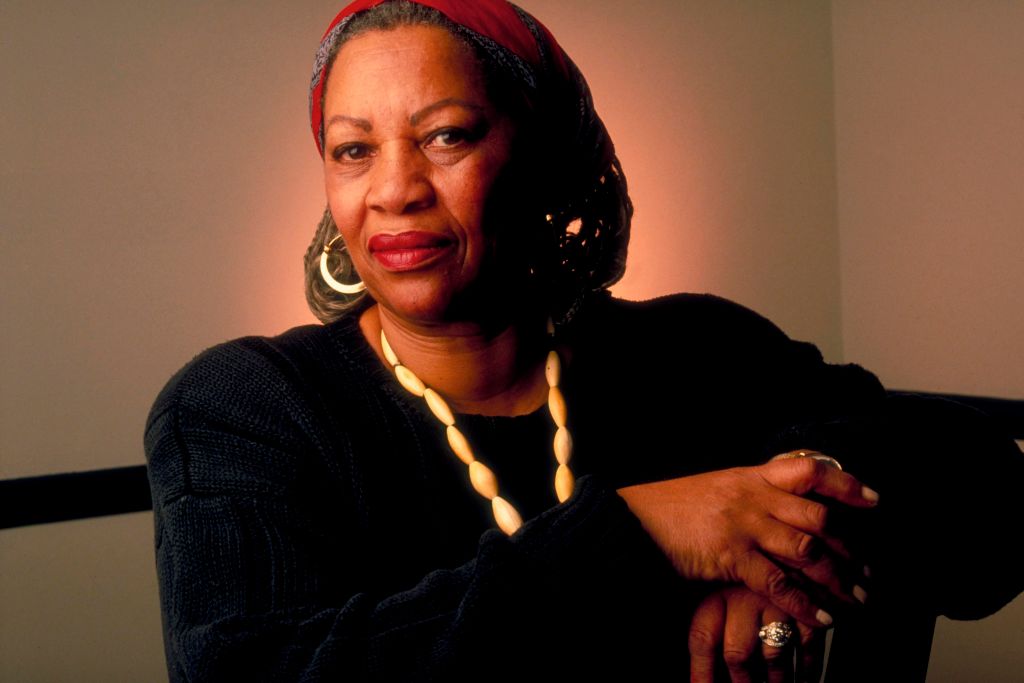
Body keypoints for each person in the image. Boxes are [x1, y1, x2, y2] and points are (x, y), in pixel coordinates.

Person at [144, 1, 1024, 681]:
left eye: (446, 135)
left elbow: (991, 497)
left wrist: (775, 551)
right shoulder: (245, 406)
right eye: (352, 150)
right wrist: (647, 531)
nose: (396, 189)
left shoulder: (691, 349)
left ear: (541, 154)